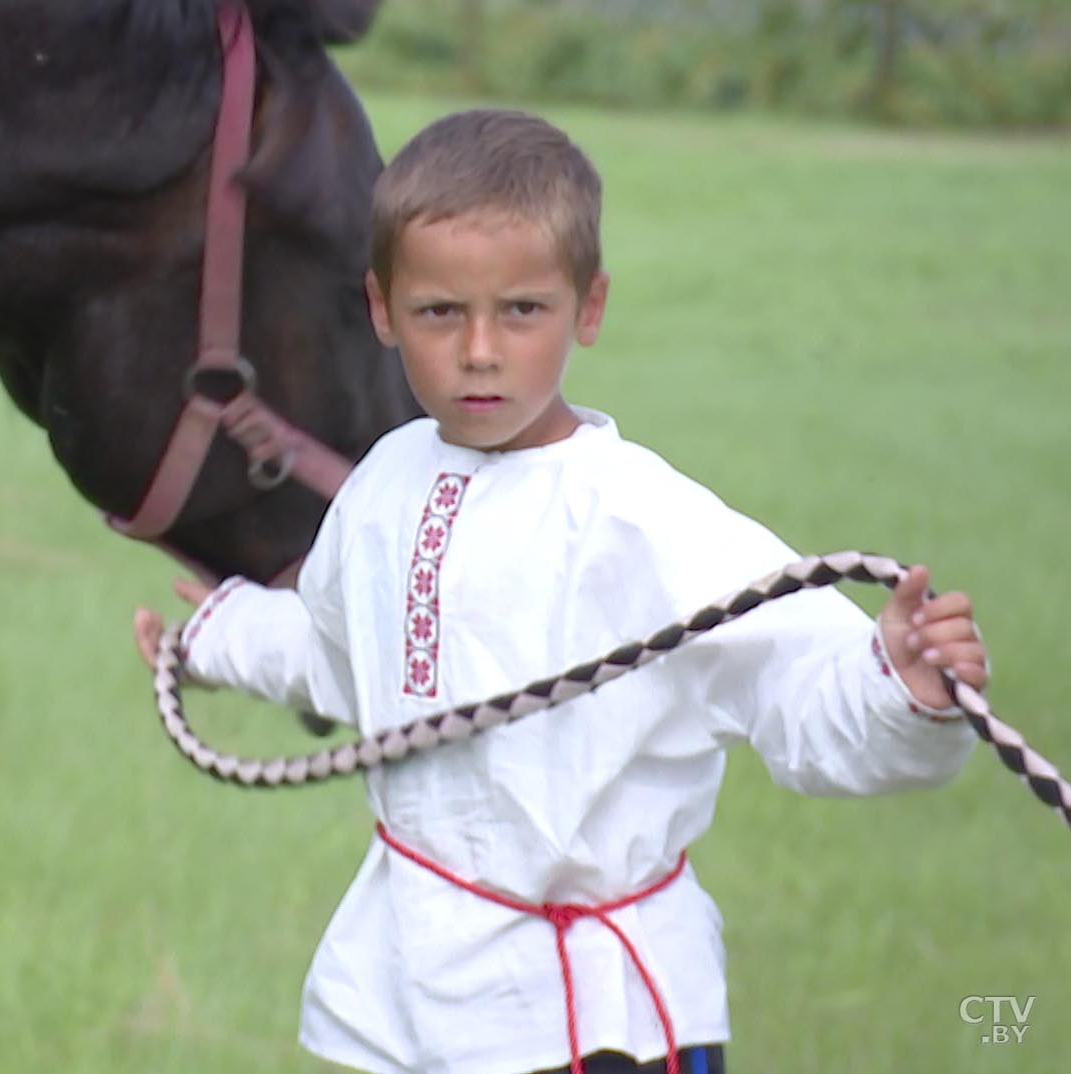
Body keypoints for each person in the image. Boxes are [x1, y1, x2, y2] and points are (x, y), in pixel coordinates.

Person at [130, 108, 988, 1074]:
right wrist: (216, 639)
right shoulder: (382, 485)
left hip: (594, 1025)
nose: (481, 351)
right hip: (406, 1004)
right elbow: (344, 659)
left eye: (523, 310)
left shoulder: (640, 518)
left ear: (589, 306)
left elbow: (799, 689)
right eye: (440, 312)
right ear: (381, 310)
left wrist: (902, 691)